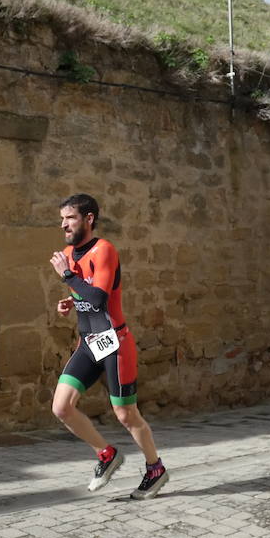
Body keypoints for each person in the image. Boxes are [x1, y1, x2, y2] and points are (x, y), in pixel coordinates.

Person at [49, 194, 169, 499]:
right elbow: (85, 295)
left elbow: (100, 298)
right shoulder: (68, 253)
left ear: (88, 219)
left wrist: (66, 276)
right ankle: (105, 454)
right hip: (89, 344)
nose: (64, 224)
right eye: (62, 218)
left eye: (70, 218)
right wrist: (69, 301)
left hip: (115, 344)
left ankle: (155, 468)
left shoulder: (104, 250)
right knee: (61, 407)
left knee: (126, 414)